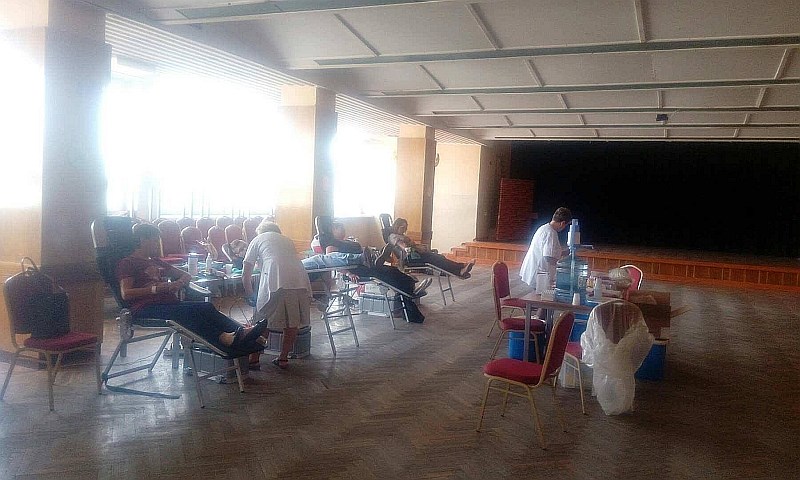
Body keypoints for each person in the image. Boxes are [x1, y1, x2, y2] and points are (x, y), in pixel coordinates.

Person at [116, 223, 265, 352]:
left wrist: (177, 284)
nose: (157, 244)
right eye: (155, 240)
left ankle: (242, 333)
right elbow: (126, 293)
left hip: (167, 303)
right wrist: (157, 289)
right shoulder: (128, 263)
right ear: (143, 240)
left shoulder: (155, 261)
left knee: (206, 307)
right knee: (189, 313)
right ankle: (224, 337)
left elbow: (186, 275)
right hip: (145, 308)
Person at [242, 220, 313, 369]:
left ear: (260, 231)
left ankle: (254, 359)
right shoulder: (286, 240)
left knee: (263, 319)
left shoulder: (258, 239)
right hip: (299, 278)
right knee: (292, 321)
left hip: (276, 277)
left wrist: (249, 294)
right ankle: (283, 358)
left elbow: (246, 272)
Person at [387, 218, 475, 278]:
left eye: (405, 228)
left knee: (440, 257)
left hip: (417, 254)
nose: (404, 230)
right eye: (402, 227)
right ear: (397, 226)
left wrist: (418, 247)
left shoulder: (403, 236)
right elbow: (403, 246)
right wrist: (410, 246)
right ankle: (459, 270)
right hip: (410, 258)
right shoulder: (393, 236)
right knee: (436, 259)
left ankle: (461, 267)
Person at [519, 206, 572, 291]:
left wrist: (564, 253)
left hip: (536, 270)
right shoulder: (551, 233)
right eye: (566, 225)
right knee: (542, 296)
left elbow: (550, 251)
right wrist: (562, 266)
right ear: (562, 223)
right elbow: (548, 257)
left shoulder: (545, 228)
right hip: (539, 273)